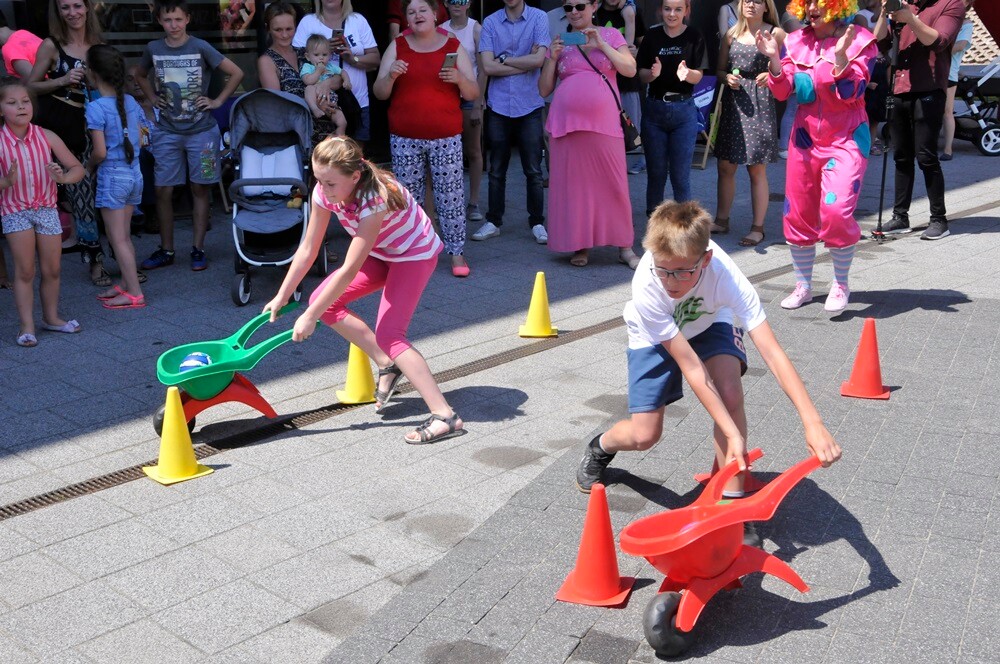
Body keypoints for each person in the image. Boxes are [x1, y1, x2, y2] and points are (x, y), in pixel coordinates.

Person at [574, 201, 842, 546]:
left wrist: (813, 423)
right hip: (654, 334)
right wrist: (733, 434)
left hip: (710, 320)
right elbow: (692, 368)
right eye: (663, 270)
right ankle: (600, 447)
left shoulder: (728, 278)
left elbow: (773, 353)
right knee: (644, 435)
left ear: (706, 259)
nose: (672, 282)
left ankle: (732, 507)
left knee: (730, 394)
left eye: (683, 271)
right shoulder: (648, 285)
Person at [263, 136, 465, 445]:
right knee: (324, 303)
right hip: (384, 251)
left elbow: (348, 269)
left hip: (414, 254)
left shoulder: (374, 199)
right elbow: (308, 247)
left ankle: (445, 416)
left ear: (354, 176)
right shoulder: (324, 191)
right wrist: (283, 294)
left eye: (330, 183)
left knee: (391, 335)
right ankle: (387, 365)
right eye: (318, 180)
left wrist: (309, 317)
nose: (323, 189)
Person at [758, 0, 877, 313]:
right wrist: (773, 59)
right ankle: (804, 285)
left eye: (819, 1)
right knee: (798, 214)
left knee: (836, 210)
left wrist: (841, 61)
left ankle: (840, 282)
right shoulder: (795, 42)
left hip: (847, 136)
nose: (812, 7)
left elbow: (854, 92)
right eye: (806, 1)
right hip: (805, 139)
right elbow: (784, 91)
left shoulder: (859, 39)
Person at [134, 0, 244, 271]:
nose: (173, 25)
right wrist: (150, 98)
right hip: (167, 132)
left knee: (200, 188)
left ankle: (198, 248)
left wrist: (217, 101)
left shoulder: (200, 46)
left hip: (203, 133)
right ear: (160, 20)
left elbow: (237, 72)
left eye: (178, 19)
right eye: (168, 20)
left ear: (187, 20)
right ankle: (167, 249)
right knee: (163, 190)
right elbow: (138, 74)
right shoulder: (153, 48)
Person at [374, 0, 479, 278]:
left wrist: (458, 78)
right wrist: (390, 76)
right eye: (411, 12)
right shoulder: (398, 45)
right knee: (408, 198)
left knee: (451, 196)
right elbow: (380, 93)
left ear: (435, 15)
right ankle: (412, 251)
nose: (417, 15)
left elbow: (472, 92)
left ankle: (456, 252)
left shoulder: (452, 45)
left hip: (445, 135)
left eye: (422, 10)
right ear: (406, 19)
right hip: (405, 137)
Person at [539, 0, 639, 268]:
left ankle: (625, 246)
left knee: (614, 184)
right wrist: (552, 57)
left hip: (604, 123)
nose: (573, 11)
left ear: (594, 6)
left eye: (580, 6)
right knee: (575, 189)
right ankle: (579, 244)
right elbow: (544, 90)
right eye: (568, 7)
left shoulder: (610, 35)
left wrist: (601, 45)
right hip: (567, 125)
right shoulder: (560, 41)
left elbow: (629, 69)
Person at [0, 78, 86, 347]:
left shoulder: (46, 135)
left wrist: (62, 178)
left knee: (53, 268)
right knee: (25, 270)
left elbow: (78, 169)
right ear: (1, 109)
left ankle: (51, 317)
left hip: (47, 208)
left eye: (26, 101)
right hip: (15, 210)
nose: (21, 107)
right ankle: (26, 326)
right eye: (12, 103)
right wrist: (6, 182)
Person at [26, 0, 105, 287]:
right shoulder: (51, 45)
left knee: (98, 192)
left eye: (77, 6)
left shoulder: (98, 43)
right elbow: (30, 85)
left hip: (93, 122)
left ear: (87, 8)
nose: (72, 13)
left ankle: (108, 253)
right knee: (81, 193)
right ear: (57, 12)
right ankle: (95, 261)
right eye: (65, 8)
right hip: (61, 122)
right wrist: (62, 79)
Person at [874, 0, 965, 240]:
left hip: (929, 88)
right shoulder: (905, 4)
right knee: (901, 156)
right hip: (899, 87)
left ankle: (939, 220)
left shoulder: (950, 4)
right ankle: (900, 216)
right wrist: (884, 13)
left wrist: (911, 19)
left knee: (926, 156)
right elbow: (879, 42)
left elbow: (938, 41)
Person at [472, 0, 551, 245]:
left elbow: (539, 62)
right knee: (496, 170)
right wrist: (524, 62)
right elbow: (486, 66)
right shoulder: (491, 21)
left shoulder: (539, 18)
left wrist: (503, 60)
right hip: (499, 104)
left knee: (534, 170)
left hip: (529, 103)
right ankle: (494, 221)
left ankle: (537, 222)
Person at [713, 0, 784, 247]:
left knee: (756, 167)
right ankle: (721, 220)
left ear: (767, 6)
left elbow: (788, 69)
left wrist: (772, 73)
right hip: (735, 103)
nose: (751, 5)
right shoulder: (731, 34)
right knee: (725, 165)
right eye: (746, 0)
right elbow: (719, 70)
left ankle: (758, 227)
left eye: (757, 1)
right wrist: (727, 78)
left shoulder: (776, 33)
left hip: (761, 102)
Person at [85, 45, 145, 309]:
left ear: (93, 73)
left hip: (112, 176)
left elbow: (99, 151)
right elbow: (144, 136)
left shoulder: (96, 107)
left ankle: (134, 294)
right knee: (125, 236)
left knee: (117, 238)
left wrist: (87, 168)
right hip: (134, 173)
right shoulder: (130, 102)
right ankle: (127, 285)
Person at [636, 0, 708, 216]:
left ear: (686, 11)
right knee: (656, 173)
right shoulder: (652, 36)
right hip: (654, 110)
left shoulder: (694, 36)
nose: (672, 14)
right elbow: (641, 74)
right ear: (660, 10)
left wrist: (688, 74)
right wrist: (652, 74)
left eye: (678, 9)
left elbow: (699, 75)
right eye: (667, 9)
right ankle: (654, 225)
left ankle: (685, 225)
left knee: (680, 175)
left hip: (683, 110)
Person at [293, 0, 380, 146]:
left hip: (356, 101)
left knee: (355, 156)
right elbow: (298, 64)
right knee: (325, 155)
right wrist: (324, 49)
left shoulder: (357, 20)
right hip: (322, 101)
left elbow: (376, 58)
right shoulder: (308, 22)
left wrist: (352, 58)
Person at [257, 2, 337, 144]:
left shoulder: (304, 53)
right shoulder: (267, 61)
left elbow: (338, 78)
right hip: (296, 137)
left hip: (327, 131)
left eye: (289, 29)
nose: (284, 35)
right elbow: (278, 104)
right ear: (268, 28)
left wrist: (327, 83)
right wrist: (315, 105)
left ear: (296, 27)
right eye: (278, 30)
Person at [441, 0, 488, 223]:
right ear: (445, 4)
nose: (457, 5)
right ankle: (451, 200)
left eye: (461, 0)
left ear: (468, 3)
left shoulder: (476, 29)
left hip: (469, 97)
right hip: (446, 97)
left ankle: (474, 202)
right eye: (452, 1)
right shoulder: (440, 29)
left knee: (473, 150)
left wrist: (479, 103)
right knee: (447, 153)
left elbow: (484, 68)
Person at [594, 0, 646, 175]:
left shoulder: (632, 12)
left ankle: (631, 164)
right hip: (601, 83)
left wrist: (638, 52)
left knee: (630, 130)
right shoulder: (594, 12)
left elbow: (645, 44)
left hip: (627, 84)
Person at [854, 0, 890, 156]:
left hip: (882, 62)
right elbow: (873, 36)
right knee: (864, 111)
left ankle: (872, 142)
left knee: (876, 113)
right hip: (867, 64)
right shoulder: (861, 15)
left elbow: (888, 38)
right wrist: (882, 14)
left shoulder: (888, 15)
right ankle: (861, 144)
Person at [941, 0, 975, 161]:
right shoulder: (945, 18)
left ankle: (948, 149)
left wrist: (937, 48)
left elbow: (961, 45)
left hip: (949, 73)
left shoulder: (966, 24)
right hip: (933, 70)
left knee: (947, 111)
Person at [301, 34, 350, 135]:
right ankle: (314, 108)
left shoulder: (331, 66)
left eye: (324, 55)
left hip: (330, 99)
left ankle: (339, 140)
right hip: (314, 97)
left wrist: (347, 81)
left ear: (330, 55)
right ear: (308, 56)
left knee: (343, 122)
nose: (321, 58)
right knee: (309, 88)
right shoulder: (308, 67)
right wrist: (318, 71)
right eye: (316, 55)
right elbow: (307, 81)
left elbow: (343, 72)